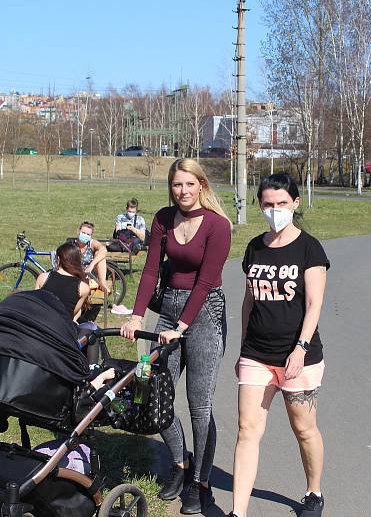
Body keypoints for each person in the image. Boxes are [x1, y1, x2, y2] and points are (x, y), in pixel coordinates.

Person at [121, 158, 232, 515]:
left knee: (199, 404)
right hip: (168, 307)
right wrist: (138, 314)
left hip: (204, 314)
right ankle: (179, 465)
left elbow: (204, 283)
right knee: (156, 393)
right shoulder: (163, 219)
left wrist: (181, 328)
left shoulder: (218, 225)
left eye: (188, 184)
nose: (182, 191)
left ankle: (200, 482)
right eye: (176, 185)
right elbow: (152, 268)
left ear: (201, 185)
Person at [228, 173, 329, 517]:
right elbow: (248, 302)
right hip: (256, 355)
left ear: (295, 204)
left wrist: (300, 348)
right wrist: (242, 348)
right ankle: (237, 512)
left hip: (297, 357)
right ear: (260, 205)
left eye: (282, 204)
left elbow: (314, 304)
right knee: (247, 430)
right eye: (268, 204)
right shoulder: (255, 247)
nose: (275, 210)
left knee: (304, 429)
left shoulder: (309, 248)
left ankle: (313, 492)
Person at [35, 241, 92, 322]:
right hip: (60, 329)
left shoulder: (43, 277)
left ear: (58, 259)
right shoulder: (83, 287)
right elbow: (71, 314)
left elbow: (35, 303)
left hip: (39, 322)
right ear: (78, 261)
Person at [76, 221, 109, 294]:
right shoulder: (72, 245)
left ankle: (102, 283)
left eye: (88, 234)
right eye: (83, 233)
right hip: (77, 275)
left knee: (100, 255)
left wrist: (92, 264)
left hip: (90, 274)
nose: (85, 235)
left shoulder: (91, 243)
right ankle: (96, 285)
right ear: (78, 231)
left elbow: (104, 250)